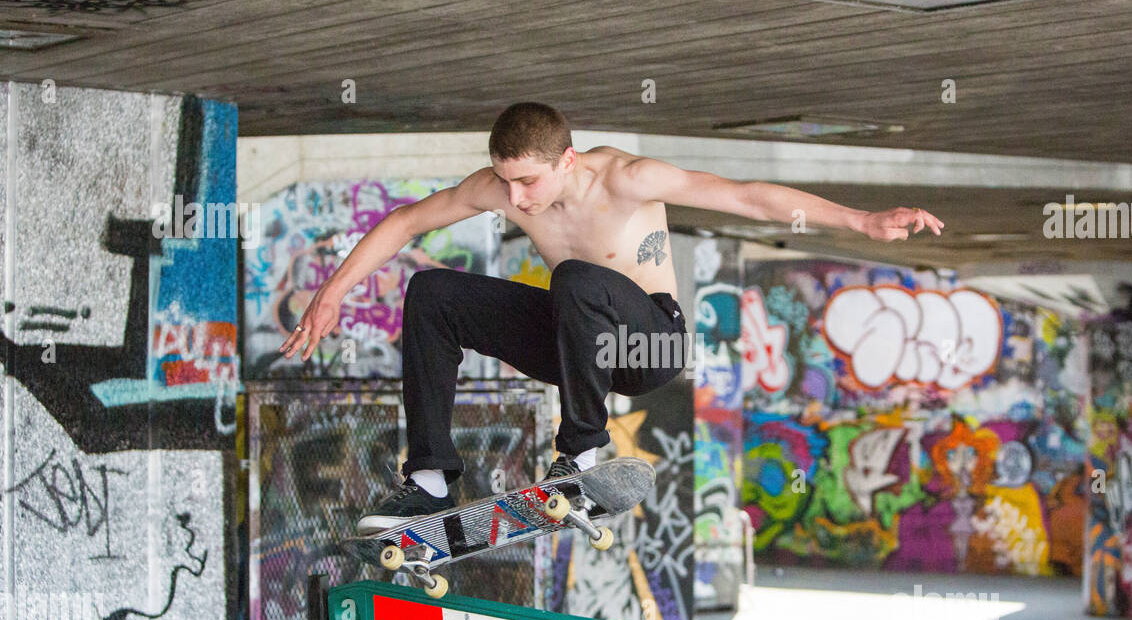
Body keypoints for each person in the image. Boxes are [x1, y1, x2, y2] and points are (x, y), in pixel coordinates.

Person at [278, 102, 943, 532]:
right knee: (432, 295)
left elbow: (747, 197)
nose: (516, 199)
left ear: (568, 161)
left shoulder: (628, 178)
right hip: (579, 342)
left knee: (574, 278)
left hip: (650, 344)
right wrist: (333, 291)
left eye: (530, 183)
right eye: (506, 183)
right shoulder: (502, 189)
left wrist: (859, 220)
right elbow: (406, 220)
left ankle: (584, 454)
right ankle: (428, 479)